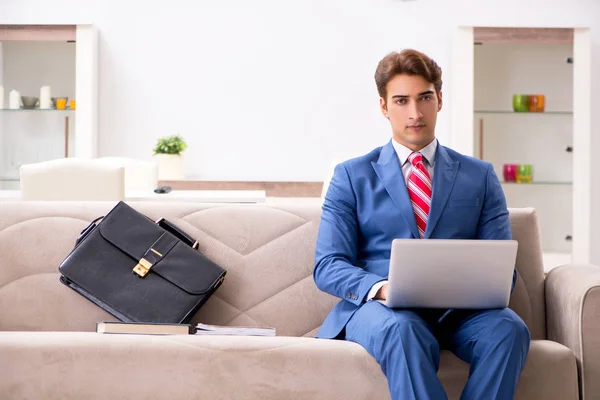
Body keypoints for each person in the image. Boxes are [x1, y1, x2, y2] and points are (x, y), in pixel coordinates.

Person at [313, 49, 530, 400]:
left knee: (509, 329)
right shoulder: (351, 177)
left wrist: (484, 284)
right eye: (401, 100)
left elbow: (504, 266)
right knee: (403, 330)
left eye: (424, 98)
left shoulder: (480, 176)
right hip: (386, 312)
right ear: (384, 106)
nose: (415, 113)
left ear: (439, 100)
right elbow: (328, 266)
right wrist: (385, 288)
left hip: (462, 313)